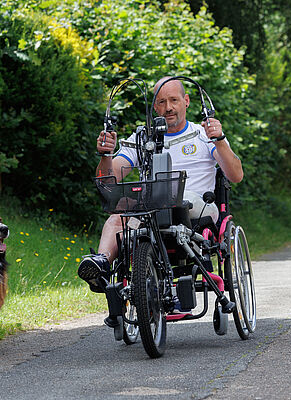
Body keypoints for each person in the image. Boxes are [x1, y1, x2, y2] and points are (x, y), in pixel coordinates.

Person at [78, 76, 244, 323]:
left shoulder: (204, 134)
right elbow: (108, 179)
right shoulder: (142, 139)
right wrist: (105, 155)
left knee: (172, 199)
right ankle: (101, 266)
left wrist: (219, 140)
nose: (169, 107)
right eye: (162, 102)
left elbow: (236, 175)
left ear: (186, 101)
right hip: (152, 209)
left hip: (195, 209)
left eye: (174, 100)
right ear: (154, 107)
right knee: (117, 219)